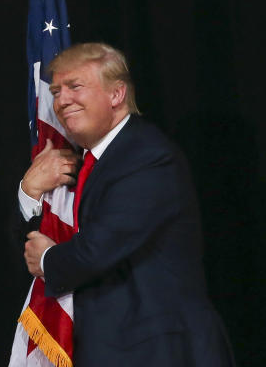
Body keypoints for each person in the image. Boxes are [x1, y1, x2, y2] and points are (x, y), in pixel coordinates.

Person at [17, 42, 235, 366]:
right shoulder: (79, 163)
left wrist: (47, 259)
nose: (61, 101)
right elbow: (27, 249)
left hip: (157, 353)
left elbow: (98, 249)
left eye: (75, 87)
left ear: (116, 95)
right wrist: (30, 189)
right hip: (106, 349)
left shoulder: (147, 156)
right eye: (57, 90)